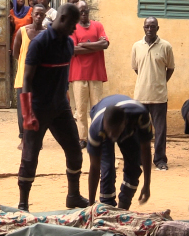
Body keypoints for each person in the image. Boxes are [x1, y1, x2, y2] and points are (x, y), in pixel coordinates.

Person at [18, 3, 88, 211]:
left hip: (60, 108)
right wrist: (27, 114)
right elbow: (27, 80)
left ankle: (73, 196)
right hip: (38, 109)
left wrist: (64, 99)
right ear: (64, 18)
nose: (75, 29)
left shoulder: (67, 44)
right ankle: (23, 204)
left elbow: (62, 77)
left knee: (75, 151)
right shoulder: (39, 43)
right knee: (30, 156)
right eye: (73, 24)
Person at [86, 95, 152, 210]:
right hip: (104, 122)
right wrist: (90, 206)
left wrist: (147, 184)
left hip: (128, 129)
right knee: (107, 170)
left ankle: (123, 208)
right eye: (109, 132)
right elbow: (94, 167)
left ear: (125, 123)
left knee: (134, 168)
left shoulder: (140, 116)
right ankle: (107, 208)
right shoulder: (96, 129)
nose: (112, 137)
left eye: (115, 132)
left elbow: (146, 149)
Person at [131, 16, 174, 171]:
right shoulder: (136, 46)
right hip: (140, 95)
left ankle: (160, 160)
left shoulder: (166, 46)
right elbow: (136, 68)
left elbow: (170, 68)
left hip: (159, 96)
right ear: (143, 27)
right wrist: (146, 80)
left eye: (153, 26)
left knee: (160, 130)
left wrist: (160, 82)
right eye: (147, 26)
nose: (149, 29)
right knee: (139, 130)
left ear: (158, 28)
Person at [70, 0, 109, 149]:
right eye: (81, 11)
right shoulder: (73, 28)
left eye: (86, 10)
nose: (84, 13)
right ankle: (83, 138)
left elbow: (105, 44)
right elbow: (73, 50)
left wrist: (84, 44)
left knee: (98, 108)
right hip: (78, 74)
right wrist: (95, 45)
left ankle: (97, 136)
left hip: (96, 73)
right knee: (80, 109)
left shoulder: (97, 25)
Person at [13, 4, 46, 150]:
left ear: (45, 16)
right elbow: (15, 53)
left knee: (38, 110)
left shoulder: (46, 34)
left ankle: (37, 139)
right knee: (23, 110)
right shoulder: (22, 31)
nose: (38, 17)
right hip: (23, 77)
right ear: (32, 15)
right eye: (36, 14)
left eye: (41, 15)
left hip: (40, 79)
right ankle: (23, 138)